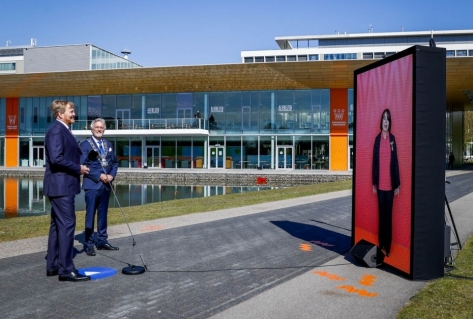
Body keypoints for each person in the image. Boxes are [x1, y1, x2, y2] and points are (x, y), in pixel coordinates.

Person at [44, 100, 91, 282]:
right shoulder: (57, 130)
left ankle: (53, 265)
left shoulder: (63, 130)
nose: (74, 114)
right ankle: (66, 269)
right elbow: (56, 159)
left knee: (57, 225)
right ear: (60, 114)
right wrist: (78, 168)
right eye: (71, 111)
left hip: (60, 185)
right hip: (61, 186)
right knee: (67, 224)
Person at [80, 118, 119, 256]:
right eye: (97, 127)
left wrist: (111, 176)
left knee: (103, 214)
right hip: (92, 185)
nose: (99, 129)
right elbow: (83, 166)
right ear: (92, 129)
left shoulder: (108, 144)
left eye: (101, 127)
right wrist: (99, 176)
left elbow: (114, 163)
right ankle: (89, 243)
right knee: (90, 214)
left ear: (104, 129)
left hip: (106, 185)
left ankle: (102, 240)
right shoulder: (85, 145)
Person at [372, 108, 400, 257]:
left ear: (390, 123)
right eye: (384, 118)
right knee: (381, 217)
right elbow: (374, 162)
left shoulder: (392, 139)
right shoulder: (377, 139)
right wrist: (373, 182)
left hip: (390, 187)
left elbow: (395, 162)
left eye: (388, 119)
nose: (385, 122)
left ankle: (387, 247)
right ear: (381, 121)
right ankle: (381, 244)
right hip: (380, 186)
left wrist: (398, 184)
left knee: (388, 217)